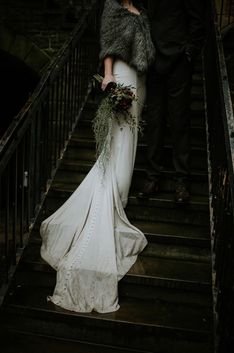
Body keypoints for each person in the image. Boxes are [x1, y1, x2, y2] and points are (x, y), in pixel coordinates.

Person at [40, 0, 155, 313]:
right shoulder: (111, 8)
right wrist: (109, 77)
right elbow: (108, 45)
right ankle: (111, 207)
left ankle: (120, 204)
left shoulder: (141, 11)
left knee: (128, 146)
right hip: (121, 76)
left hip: (138, 80)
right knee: (116, 145)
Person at [138, 0, 206, 203]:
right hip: (152, 62)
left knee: (180, 122)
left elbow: (197, 22)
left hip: (178, 62)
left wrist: (189, 54)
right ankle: (152, 178)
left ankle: (181, 181)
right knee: (154, 122)